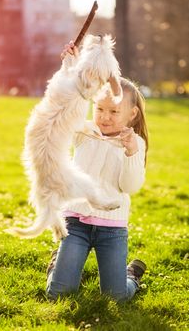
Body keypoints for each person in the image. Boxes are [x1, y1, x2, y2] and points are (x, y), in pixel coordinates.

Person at [46, 40, 149, 302]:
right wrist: (70, 65)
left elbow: (130, 186)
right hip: (76, 223)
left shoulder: (135, 143)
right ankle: (58, 265)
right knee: (58, 293)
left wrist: (130, 153)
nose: (105, 117)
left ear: (132, 114)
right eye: (100, 109)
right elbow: (66, 101)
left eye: (114, 111)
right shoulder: (84, 131)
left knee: (115, 297)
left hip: (112, 229)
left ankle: (131, 277)